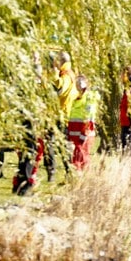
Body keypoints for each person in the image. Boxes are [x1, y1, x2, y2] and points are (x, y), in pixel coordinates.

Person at [45, 51, 78, 181]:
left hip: (61, 115)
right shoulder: (68, 73)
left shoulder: (66, 75)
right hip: (60, 114)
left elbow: (60, 90)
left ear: (61, 62)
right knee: (54, 144)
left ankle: (62, 171)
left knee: (57, 144)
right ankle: (62, 171)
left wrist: (53, 74)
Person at [66, 74, 99, 171]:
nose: (77, 85)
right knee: (77, 158)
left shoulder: (89, 97)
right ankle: (78, 181)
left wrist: (84, 134)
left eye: (79, 83)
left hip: (83, 134)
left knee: (81, 158)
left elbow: (89, 117)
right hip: (75, 134)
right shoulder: (76, 98)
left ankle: (81, 181)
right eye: (76, 83)